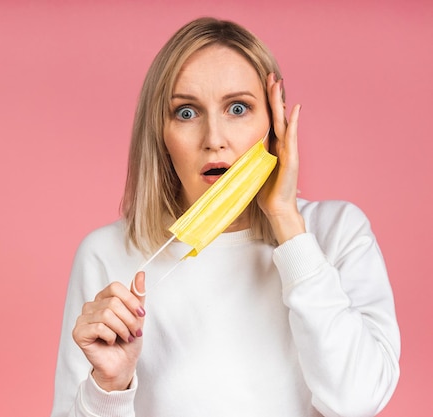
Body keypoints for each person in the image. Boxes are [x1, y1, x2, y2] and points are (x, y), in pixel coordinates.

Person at [51, 17, 400, 417]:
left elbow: (357, 401)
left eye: (238, 108)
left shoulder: (337, 233)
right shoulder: (108, 254)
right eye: (186, 112)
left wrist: (287, 221)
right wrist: (109, 387)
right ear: (160, 135)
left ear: (274, 122)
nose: (214, 138)